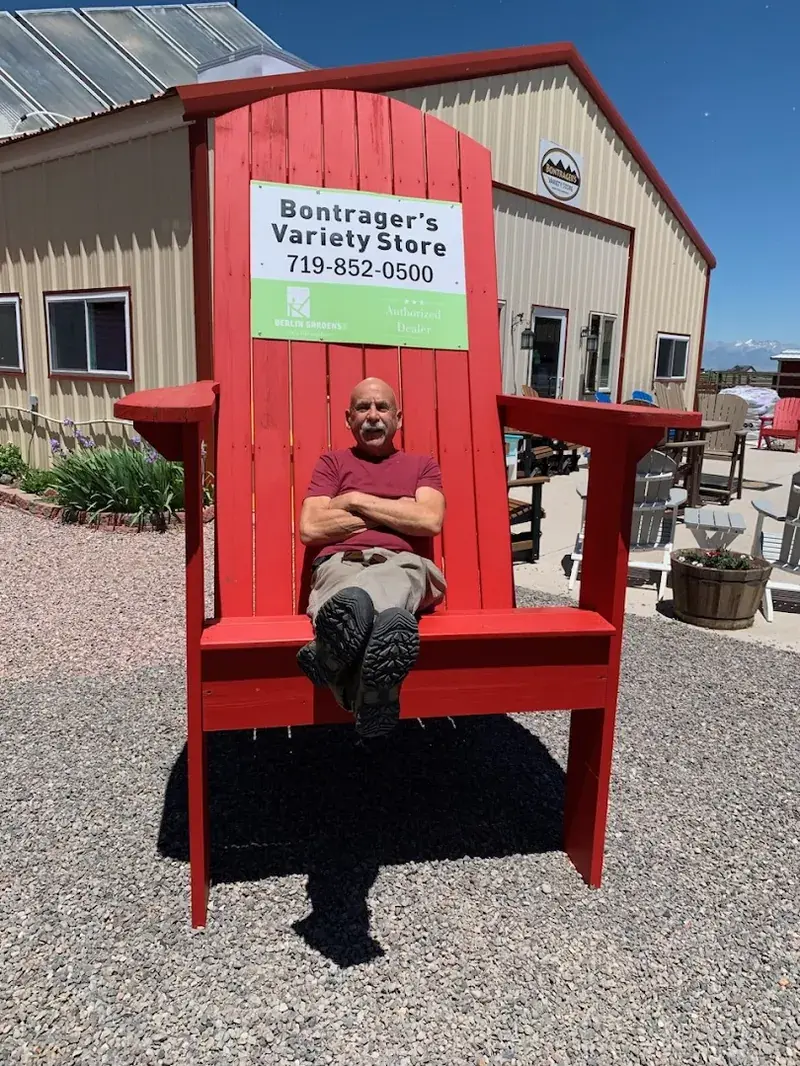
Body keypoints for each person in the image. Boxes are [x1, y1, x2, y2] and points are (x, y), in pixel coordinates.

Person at [297, 377, 446, 738]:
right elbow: (311, 528)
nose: (373, 416)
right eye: (363, 408)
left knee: (388, 581)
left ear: (399, 418)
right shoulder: (332, 463)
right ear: (348, 418)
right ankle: (374, 695)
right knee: (367, 604)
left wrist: (354, 500)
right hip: (341, 563)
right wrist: (398, 510)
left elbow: (429, 520)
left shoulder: (422, 465)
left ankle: (329, 655)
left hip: (404, 564)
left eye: (382, 407)